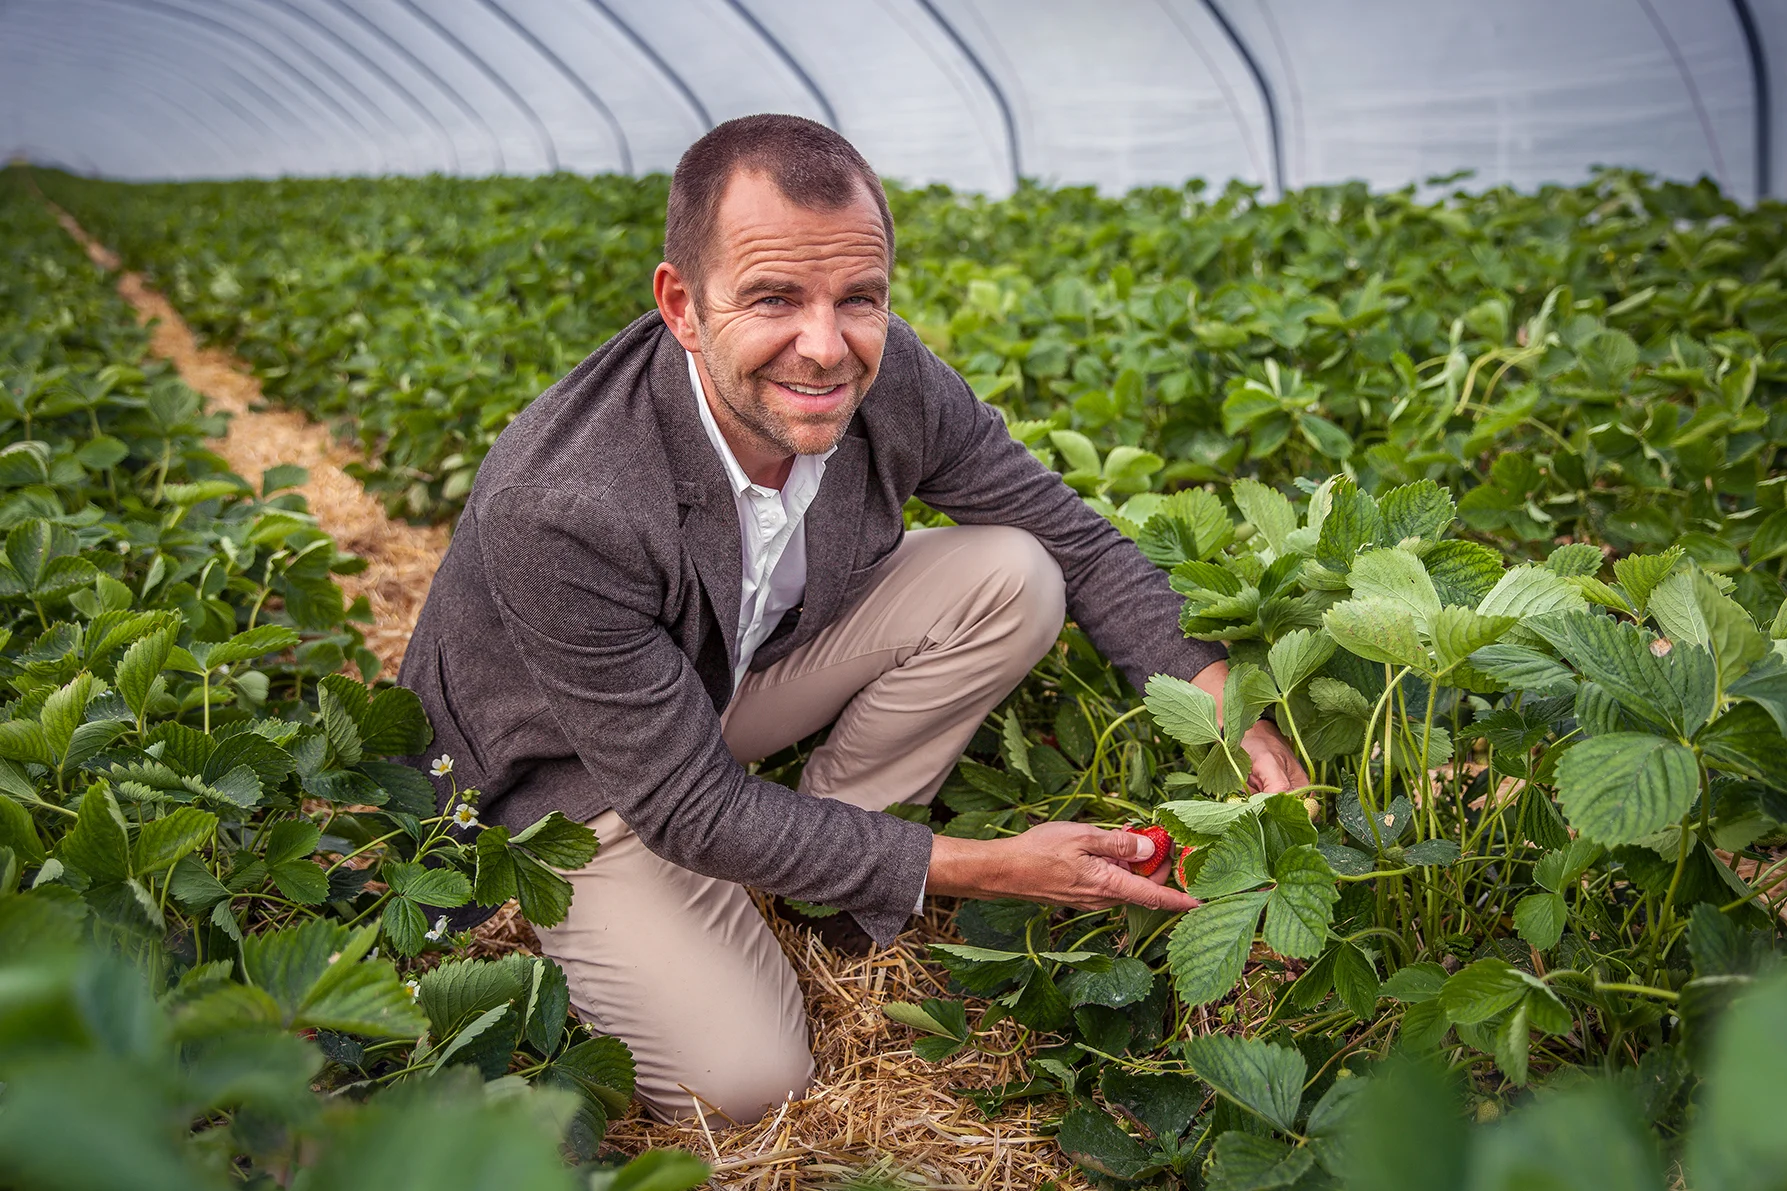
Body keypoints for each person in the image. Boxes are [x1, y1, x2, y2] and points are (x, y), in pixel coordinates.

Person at [400, 114, 1308, 1126]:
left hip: (724, 675)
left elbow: (1075, 539)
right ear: (681, 305)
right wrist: (982, 870)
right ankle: (762, 882)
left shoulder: (890, 378)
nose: (826, 348)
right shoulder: (565, 500)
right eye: (774, 299)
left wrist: (1218, 703)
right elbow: (686, 808)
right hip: (575, 776)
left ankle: (822, 879)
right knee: (745, 1084)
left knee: (1015, 574)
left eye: (858, 299)